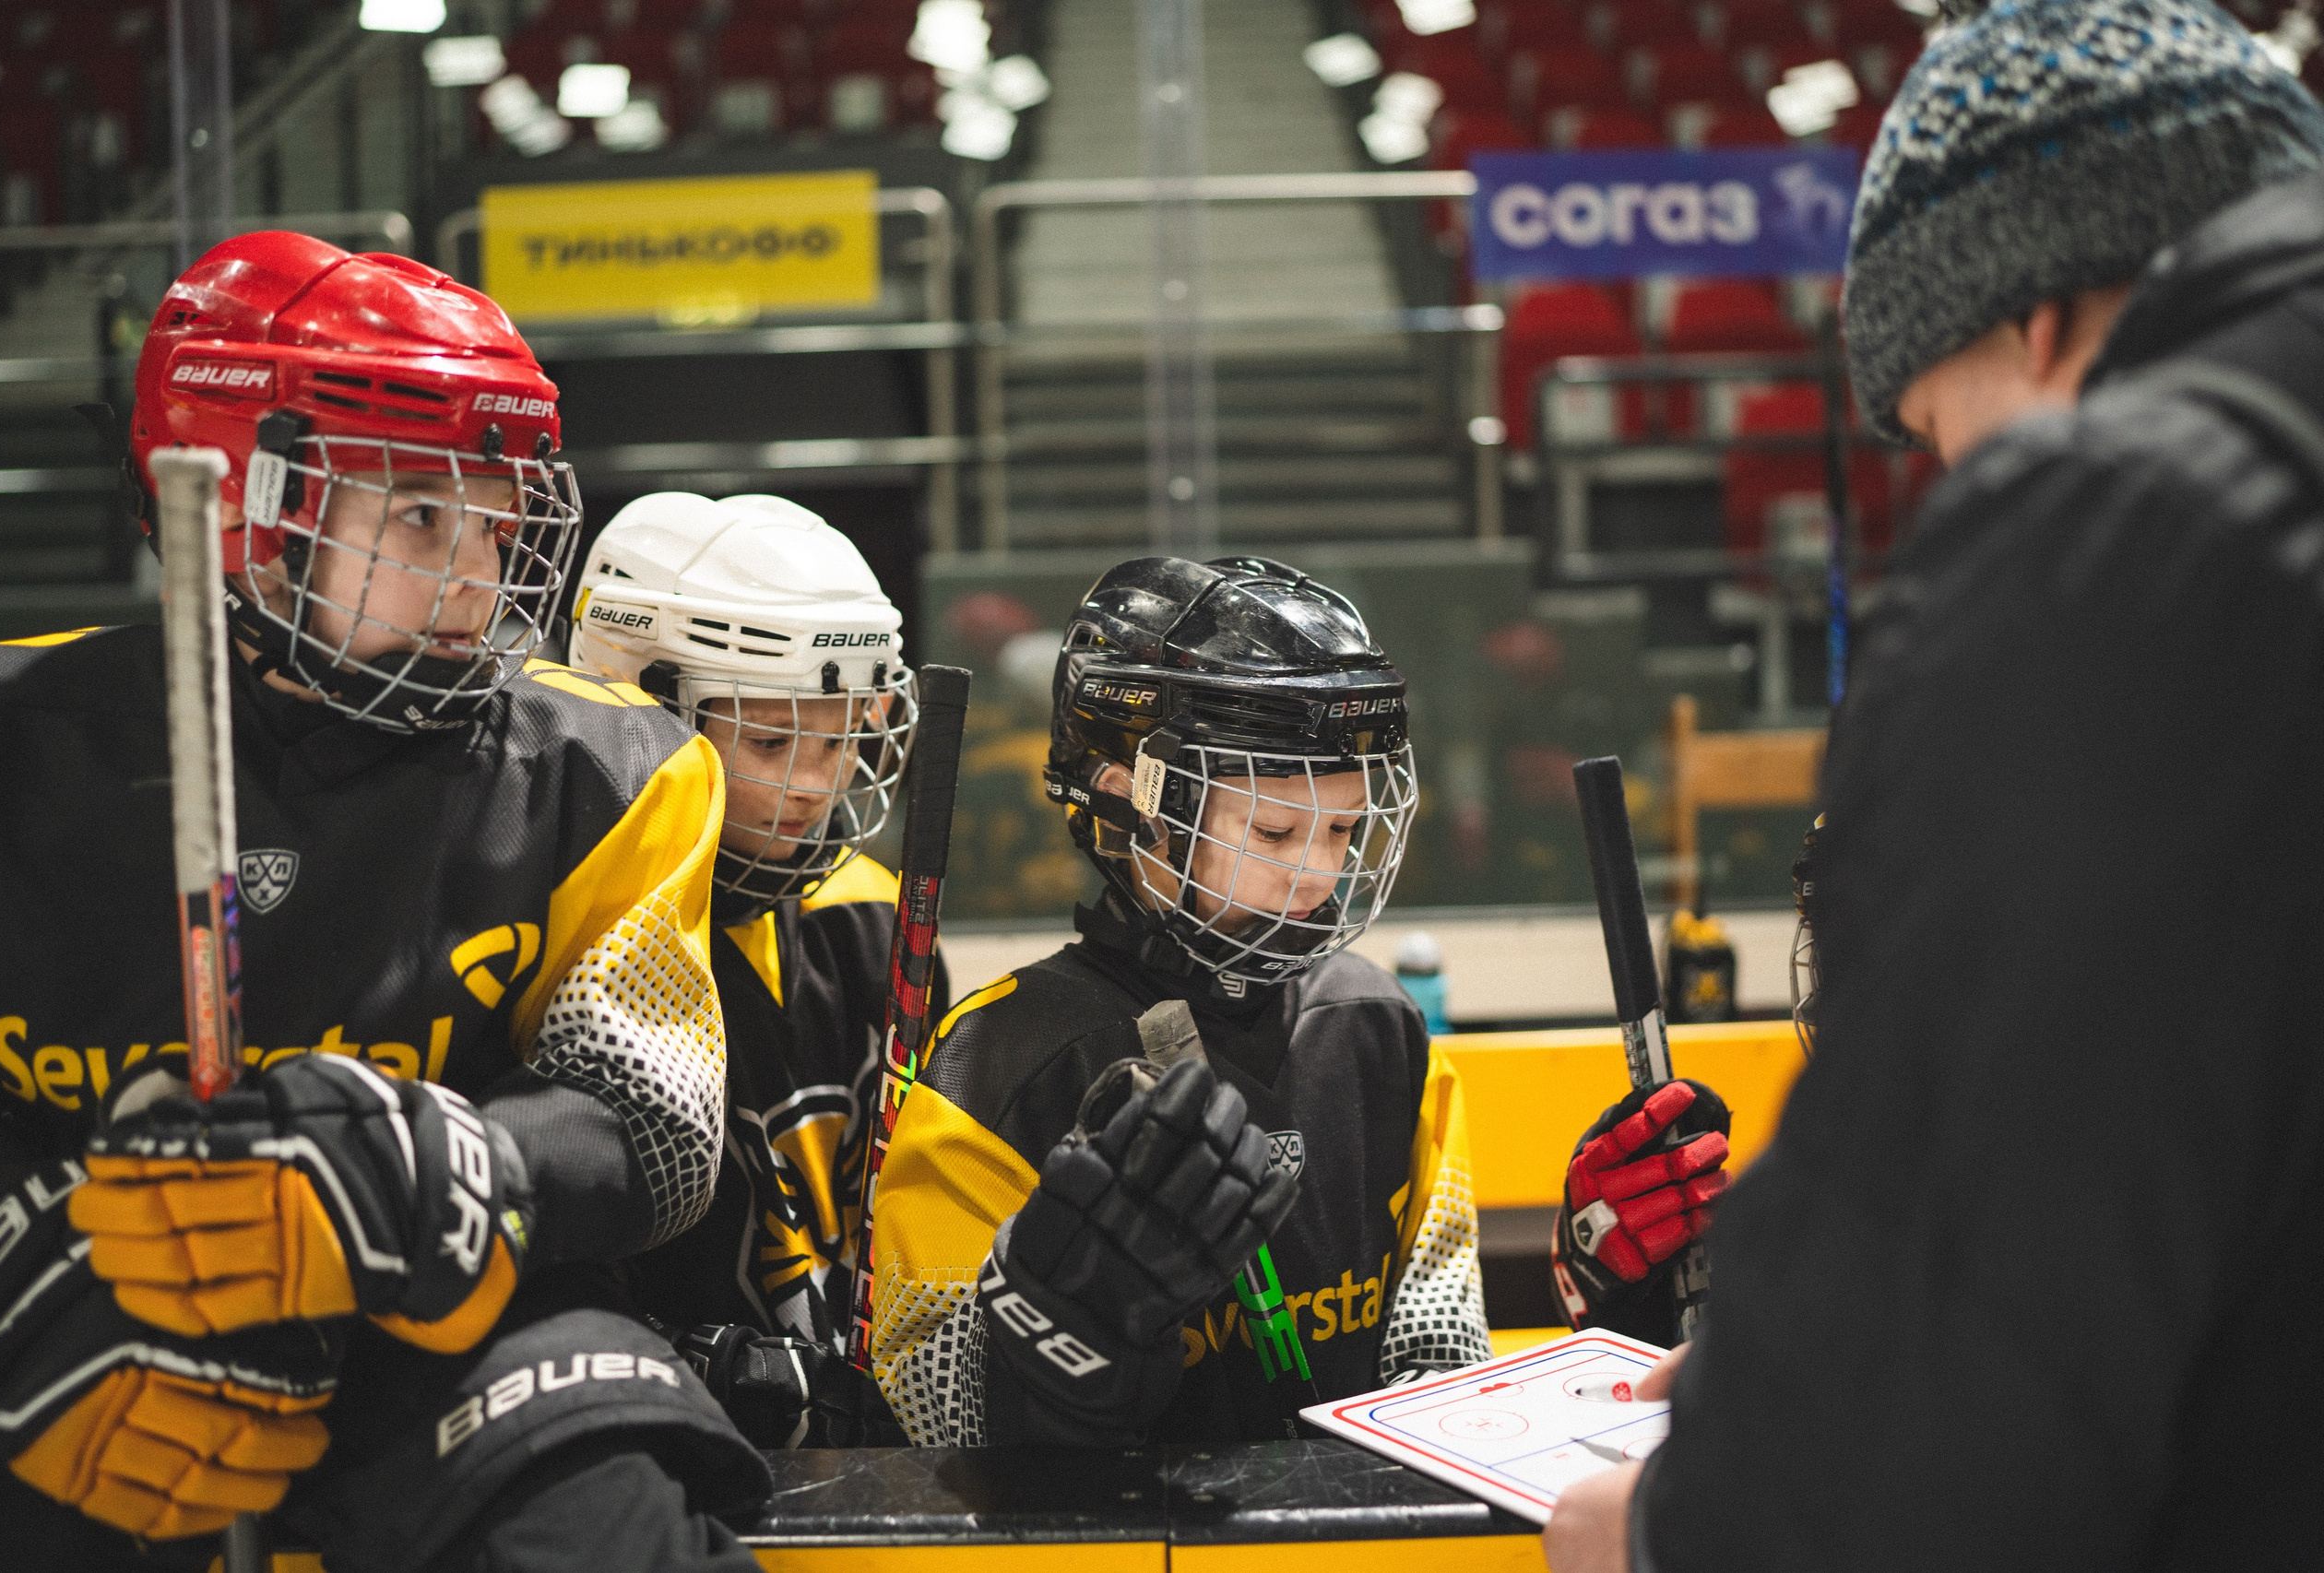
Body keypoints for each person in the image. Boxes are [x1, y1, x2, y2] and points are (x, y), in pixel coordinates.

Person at [1547, 2, 2324, 1568]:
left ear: (2033, 320)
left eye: (1939, 436)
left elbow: (1942, 1399)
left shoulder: (2126, 534)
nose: (1961, 491)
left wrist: (1675, 1523)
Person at [0, 233, 765, 1573]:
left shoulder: (608, 770)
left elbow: (653, 1124)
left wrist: (462, 1167)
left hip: (454, 1338)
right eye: (420, 517)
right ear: (242, 511)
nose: (482, 578)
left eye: (501, 518)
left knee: (612, 1529)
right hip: (82, 1312)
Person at [862, 556, 1725, 1447]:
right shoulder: (998, 1061)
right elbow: (935, 1422)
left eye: (1345, 828)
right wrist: (1066, 1332)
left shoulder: (1380, 1028)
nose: (1319, 872)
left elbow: (1437, 1372)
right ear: (1127, 800)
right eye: (1274, 830)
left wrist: (1607, 1304)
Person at [566, 490, 924, 1446]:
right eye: (771, 738)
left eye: (844, 733)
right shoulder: (572, 930)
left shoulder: (868, 910)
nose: (818, 781)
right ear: (641, 705)